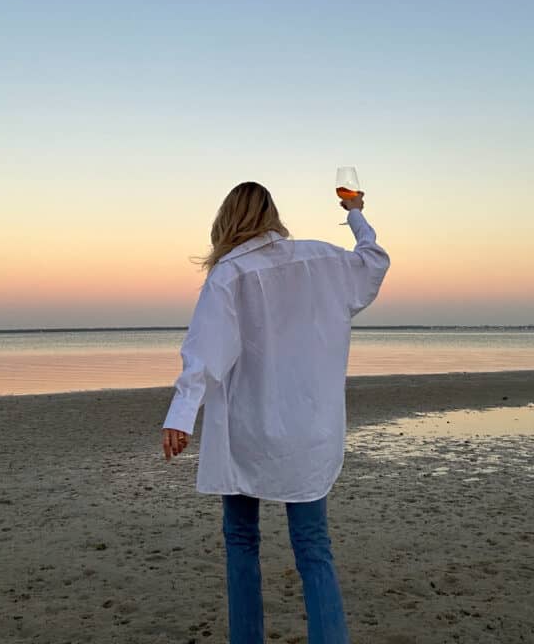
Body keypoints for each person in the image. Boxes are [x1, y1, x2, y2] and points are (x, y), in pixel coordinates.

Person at [161, 181, 391, 644]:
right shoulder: (323, 260)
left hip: (247, 428)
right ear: (272, 215)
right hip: (309, 430)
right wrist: (355, 213)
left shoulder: (228, 274)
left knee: (242, 544)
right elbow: (374, 261)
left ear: (226, 221)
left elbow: (205, 351)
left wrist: (182, 414)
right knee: (313, 550)